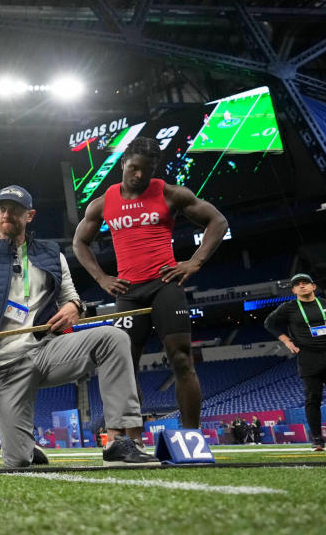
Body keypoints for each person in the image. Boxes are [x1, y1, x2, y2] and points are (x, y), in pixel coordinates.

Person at [0, 185, 157, 468]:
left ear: (30, 216)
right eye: (2, 208)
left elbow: (71, 297)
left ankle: (117, 439)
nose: (7, 214)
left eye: (15, 209)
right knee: (17, 460)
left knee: (113, 338)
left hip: (47, 351)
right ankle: (26, 444)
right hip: (3, 368)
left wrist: (75, 307)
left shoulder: (52, 254)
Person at [72, 136, 228, 434]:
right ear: (122, 164)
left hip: (164, 285)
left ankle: (191, 436)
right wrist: (101, 278)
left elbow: (217, 221)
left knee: (181, 359)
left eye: (147, 169)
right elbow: (79, 242)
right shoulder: (103, 202)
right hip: (128, 293)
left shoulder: (171, 194)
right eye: (133, 168)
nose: (139, 175)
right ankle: (133, 441)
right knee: (125, 368)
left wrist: (195, 261)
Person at [264, 272, 326, 451]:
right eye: (298, 284)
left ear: (313, 287)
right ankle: (317, 439)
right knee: (313, 399)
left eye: (306, 283)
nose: (302, 285)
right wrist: (287, 341)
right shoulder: (289, 308)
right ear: (294, 290)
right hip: (309, 357)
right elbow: (269, 323)